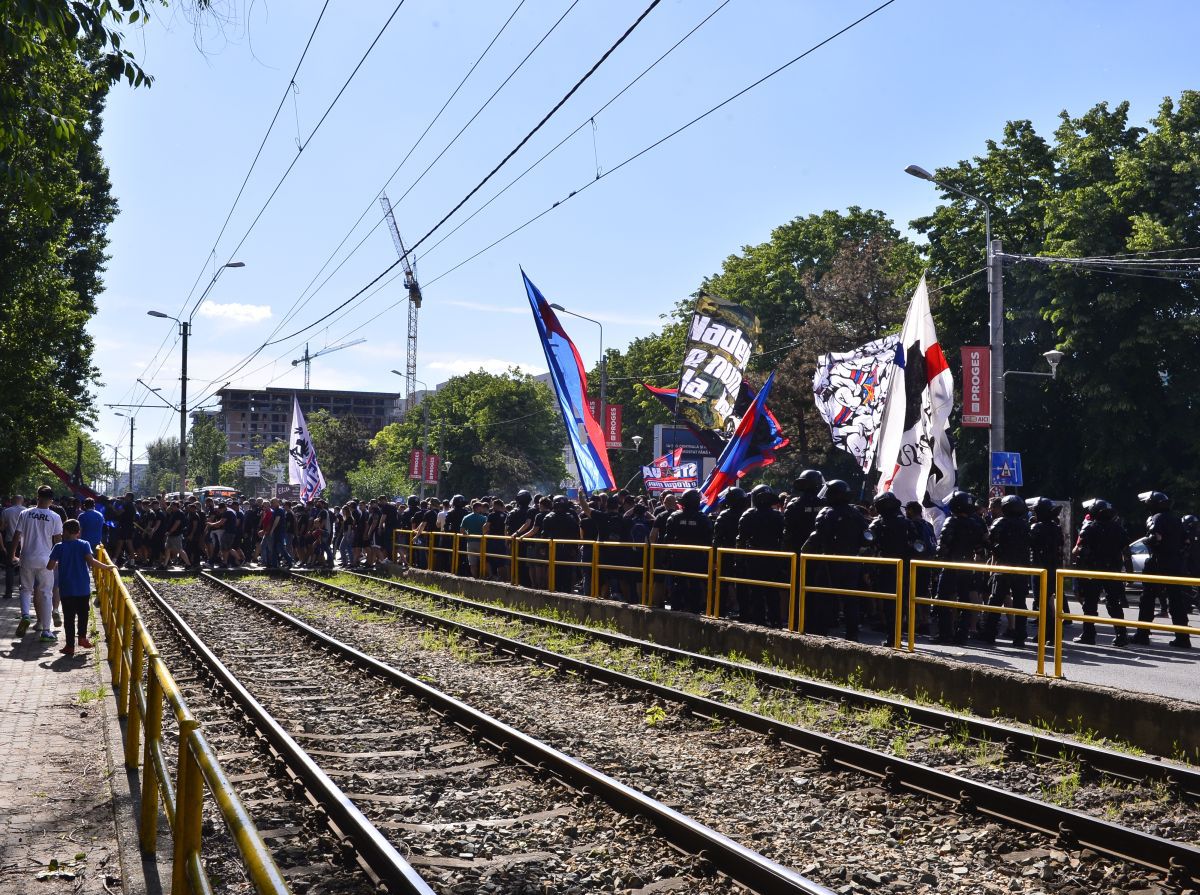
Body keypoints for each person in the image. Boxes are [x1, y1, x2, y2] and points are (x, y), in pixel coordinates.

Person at [802, 479, 869, 640]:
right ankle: (852, 634)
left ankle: (821, 632)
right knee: (850, 600)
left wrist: (804, 550)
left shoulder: (826, 512)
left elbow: (818, 536)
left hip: (829, 561)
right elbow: (866, 537)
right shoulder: (856, 513)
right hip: (852, 562)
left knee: (824, 597)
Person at [47, 518, 115, 656]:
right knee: (83, 615)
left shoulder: (58, 547)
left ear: (64, 531)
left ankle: (70, 646)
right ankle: (82, 638)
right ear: (78, 532)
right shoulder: (84, 544)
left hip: (66, 589)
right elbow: (91, 561)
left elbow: (49, 566)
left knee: (69, 618)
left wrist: (59, 563)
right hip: (83, 587)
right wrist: (107, 567)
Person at [1135, 490, 1190, 648]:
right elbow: (1186, 542)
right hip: (1174, 564)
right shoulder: (1176, 519)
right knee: (1176, 600)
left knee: (1147, 599)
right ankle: (1182, 637)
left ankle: (1142, 634)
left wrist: (1146, 540)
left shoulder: (1156, 518)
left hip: (1158, 563)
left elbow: (1155, 538)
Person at [1071, 499, 1130, 646]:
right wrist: (1129, 572)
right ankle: (1121, 635)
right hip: (1113, 571)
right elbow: (1126, 552)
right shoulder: (1119, 529)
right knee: (1114, 603)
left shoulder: (1089, 528)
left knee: (1090, 604)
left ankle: (1089, 635)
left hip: (1094, 571)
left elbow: (1080, 551)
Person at [933, 490, 988, 644]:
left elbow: (943, 546)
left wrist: (937, 563)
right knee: (964, 601)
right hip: (967, 566)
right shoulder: (975, 524)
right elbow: (981, 548)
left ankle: (945, 633)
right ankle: (962, 634)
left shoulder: (951, 522)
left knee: (943, 600)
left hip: (950, 566)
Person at [10, 486, 64, 640]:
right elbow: (58, 540)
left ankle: (26, 615)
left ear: (37, 497)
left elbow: (16, 535)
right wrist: (58, 559)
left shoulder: (25, 513)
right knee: (47, 593)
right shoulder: (55, 516)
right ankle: (46, 631)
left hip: (26, 557)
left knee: (25, 589)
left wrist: (12, 554)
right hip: (46, 560)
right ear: (51, 500)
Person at [981, 494, 1033, 647]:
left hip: (1002, 568)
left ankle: (990, 634)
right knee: (1020, 603)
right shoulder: (1025, 525)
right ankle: (1020, 637)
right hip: (1021, 569)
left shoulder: (1000, 522)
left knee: (995, 600)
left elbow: (988, 541)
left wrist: (995, 550)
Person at [867, 491, 916, 639]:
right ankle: (895, 634)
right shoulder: (906, 523)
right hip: (900, 567)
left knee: (891, 602)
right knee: (898, 601)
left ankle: (893, 635)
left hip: (889, 567)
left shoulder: (881, 523)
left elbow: (867, 542)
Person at [737, 485, 787, 627]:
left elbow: (740, 540)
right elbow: (784, 539)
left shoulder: (748, 515)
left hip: (754, 559)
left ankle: (760, 621)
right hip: (772, 559)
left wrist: (739, 561)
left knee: (757, 592)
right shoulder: (778, 516)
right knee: (772, 592)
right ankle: (775, 622)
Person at [661, 488, 713, 613]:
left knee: (678, 583)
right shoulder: (704, 519)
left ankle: (676, 607)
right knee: (695, 584)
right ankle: (694, 609)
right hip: (697, 558)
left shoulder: (674, 517)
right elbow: (710, 540)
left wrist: (665, 557)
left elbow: (667, 539)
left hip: (678, 557)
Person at [1026, 497, 1065, 640]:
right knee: (1049, 601)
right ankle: (1051, 632)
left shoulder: (1036, 528)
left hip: (1040, 569)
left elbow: (1029, 544)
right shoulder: (1056, 527)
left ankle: (1047, 633)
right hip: (1053, 568)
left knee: (1042, 602)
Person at [712, 487, 749, 617]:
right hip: (742, 554)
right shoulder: (747, 514)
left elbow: (716, 539)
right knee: (742, 586)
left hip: (726, 554)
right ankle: (744, 613)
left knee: (723, 584)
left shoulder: (724, 515)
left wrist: (715, 558)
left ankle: (719, 611)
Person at [2, 495, 25, 599]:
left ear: (12, 501)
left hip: (10, 541)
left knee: (9, 567)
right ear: (22, 501)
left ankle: (8, 592)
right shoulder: (27, 511)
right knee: (23, 567)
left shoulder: (6, 511)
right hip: (23, 541)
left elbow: (2, 527)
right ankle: (23, 591)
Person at [459, 500, 489, 577]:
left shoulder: (466, 517)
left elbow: (462, 530)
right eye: (481, 507)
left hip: (470, 542)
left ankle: (475, 578)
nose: (482, 509)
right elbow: (487, 530)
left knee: (472, 563)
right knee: (483, 561)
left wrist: (468, 535)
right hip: (481, 542)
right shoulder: (484, 518)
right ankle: (485, 577)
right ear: (478, 508)